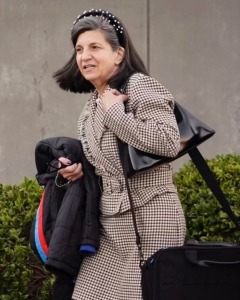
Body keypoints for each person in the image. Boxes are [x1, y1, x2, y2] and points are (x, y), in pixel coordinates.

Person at [53, 9, 186, 300]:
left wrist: (115, 113)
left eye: (95, 47)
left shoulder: (139, 85)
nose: (84, 55)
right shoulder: (91, 105)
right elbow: (106, 165)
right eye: (79, 49)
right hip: (109, 224)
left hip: (151, 217)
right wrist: (75, 170)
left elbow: (167, 142)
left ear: (118, 54)